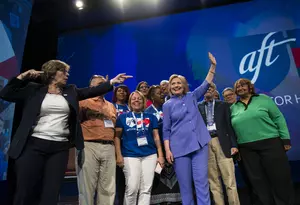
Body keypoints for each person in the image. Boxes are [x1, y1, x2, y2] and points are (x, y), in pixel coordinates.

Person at [0, 59, 131, 205]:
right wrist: (23, 76)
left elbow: (92, 91)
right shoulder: (34, 89)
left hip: (59, 148)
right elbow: (6, 93)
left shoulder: (71, 91)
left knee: (51, 191)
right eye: (64, 71)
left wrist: (113, 81)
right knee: (25, 189)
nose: (67, 75)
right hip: (33, 145)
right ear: (52, 73)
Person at [163, 52, 217, 205]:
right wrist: (168, 150)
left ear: (184, 85)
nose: (176, 86)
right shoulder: (167, 105)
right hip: (179, 149)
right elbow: (166, 130)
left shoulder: (192, 96)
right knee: (185, 187)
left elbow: (206, 83)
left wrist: (213, 66)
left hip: (199, 145)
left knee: (201, 182)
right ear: (170, 88)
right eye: (173, 84)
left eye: (179, 83)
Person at [230, 78, 294, 205]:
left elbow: (278, 118)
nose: (240, 88)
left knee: (279, 177)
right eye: (238, 87)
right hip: (246, 149)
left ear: (250, 87)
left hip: (271, 144)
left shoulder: (264, 99)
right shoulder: (233, 107)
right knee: (257, 181)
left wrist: (285, 139)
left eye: (243, 86)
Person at [115, 91, 165, 205]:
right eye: (134, 99)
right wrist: (118, 155)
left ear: (143, 102)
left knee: (146, 189)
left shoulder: (151, 117)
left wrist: (160, 155)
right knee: (132, 188)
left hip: (150, 155)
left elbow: (156, 137)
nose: (136, 100)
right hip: (130, 155)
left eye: (139, 99)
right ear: (130, 102)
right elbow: (117, 137)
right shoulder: (122, 118)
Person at [77, 75, 117, 205]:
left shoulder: (111, 105)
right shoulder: (83, 102)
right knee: (87, 187)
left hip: (109, 147)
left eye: (105, 83)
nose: (104, 85)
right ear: (91, 87)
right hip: (89, 145)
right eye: (100, 83)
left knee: (108, 188)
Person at [198, 83, 240, 205]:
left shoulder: (223, 105)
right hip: (206, 144)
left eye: (210, 88)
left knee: (229, 180)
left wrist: (234, 145)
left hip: (223, 143)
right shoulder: (198, 106)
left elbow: (229, 126)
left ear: (214, 91)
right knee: (213, 181)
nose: (208, 90)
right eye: (206, 88)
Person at [145, 85, 181, 204]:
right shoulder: (147, 112)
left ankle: (176, 201)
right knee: (158, 177)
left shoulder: (168, 107)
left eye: (162, 92)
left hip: (172, 147)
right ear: (151, 97)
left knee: (176, 177)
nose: (162, 94)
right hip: (156, 149)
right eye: (158, 93)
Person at [111, 84, 130, 205]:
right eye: (119, 91)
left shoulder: (131, 107)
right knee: (117, 176)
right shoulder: (111, 107)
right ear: (115, 93)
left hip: (128, 143)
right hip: (115, 142)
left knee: (127, 176)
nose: (122, 93)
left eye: (124, 91)